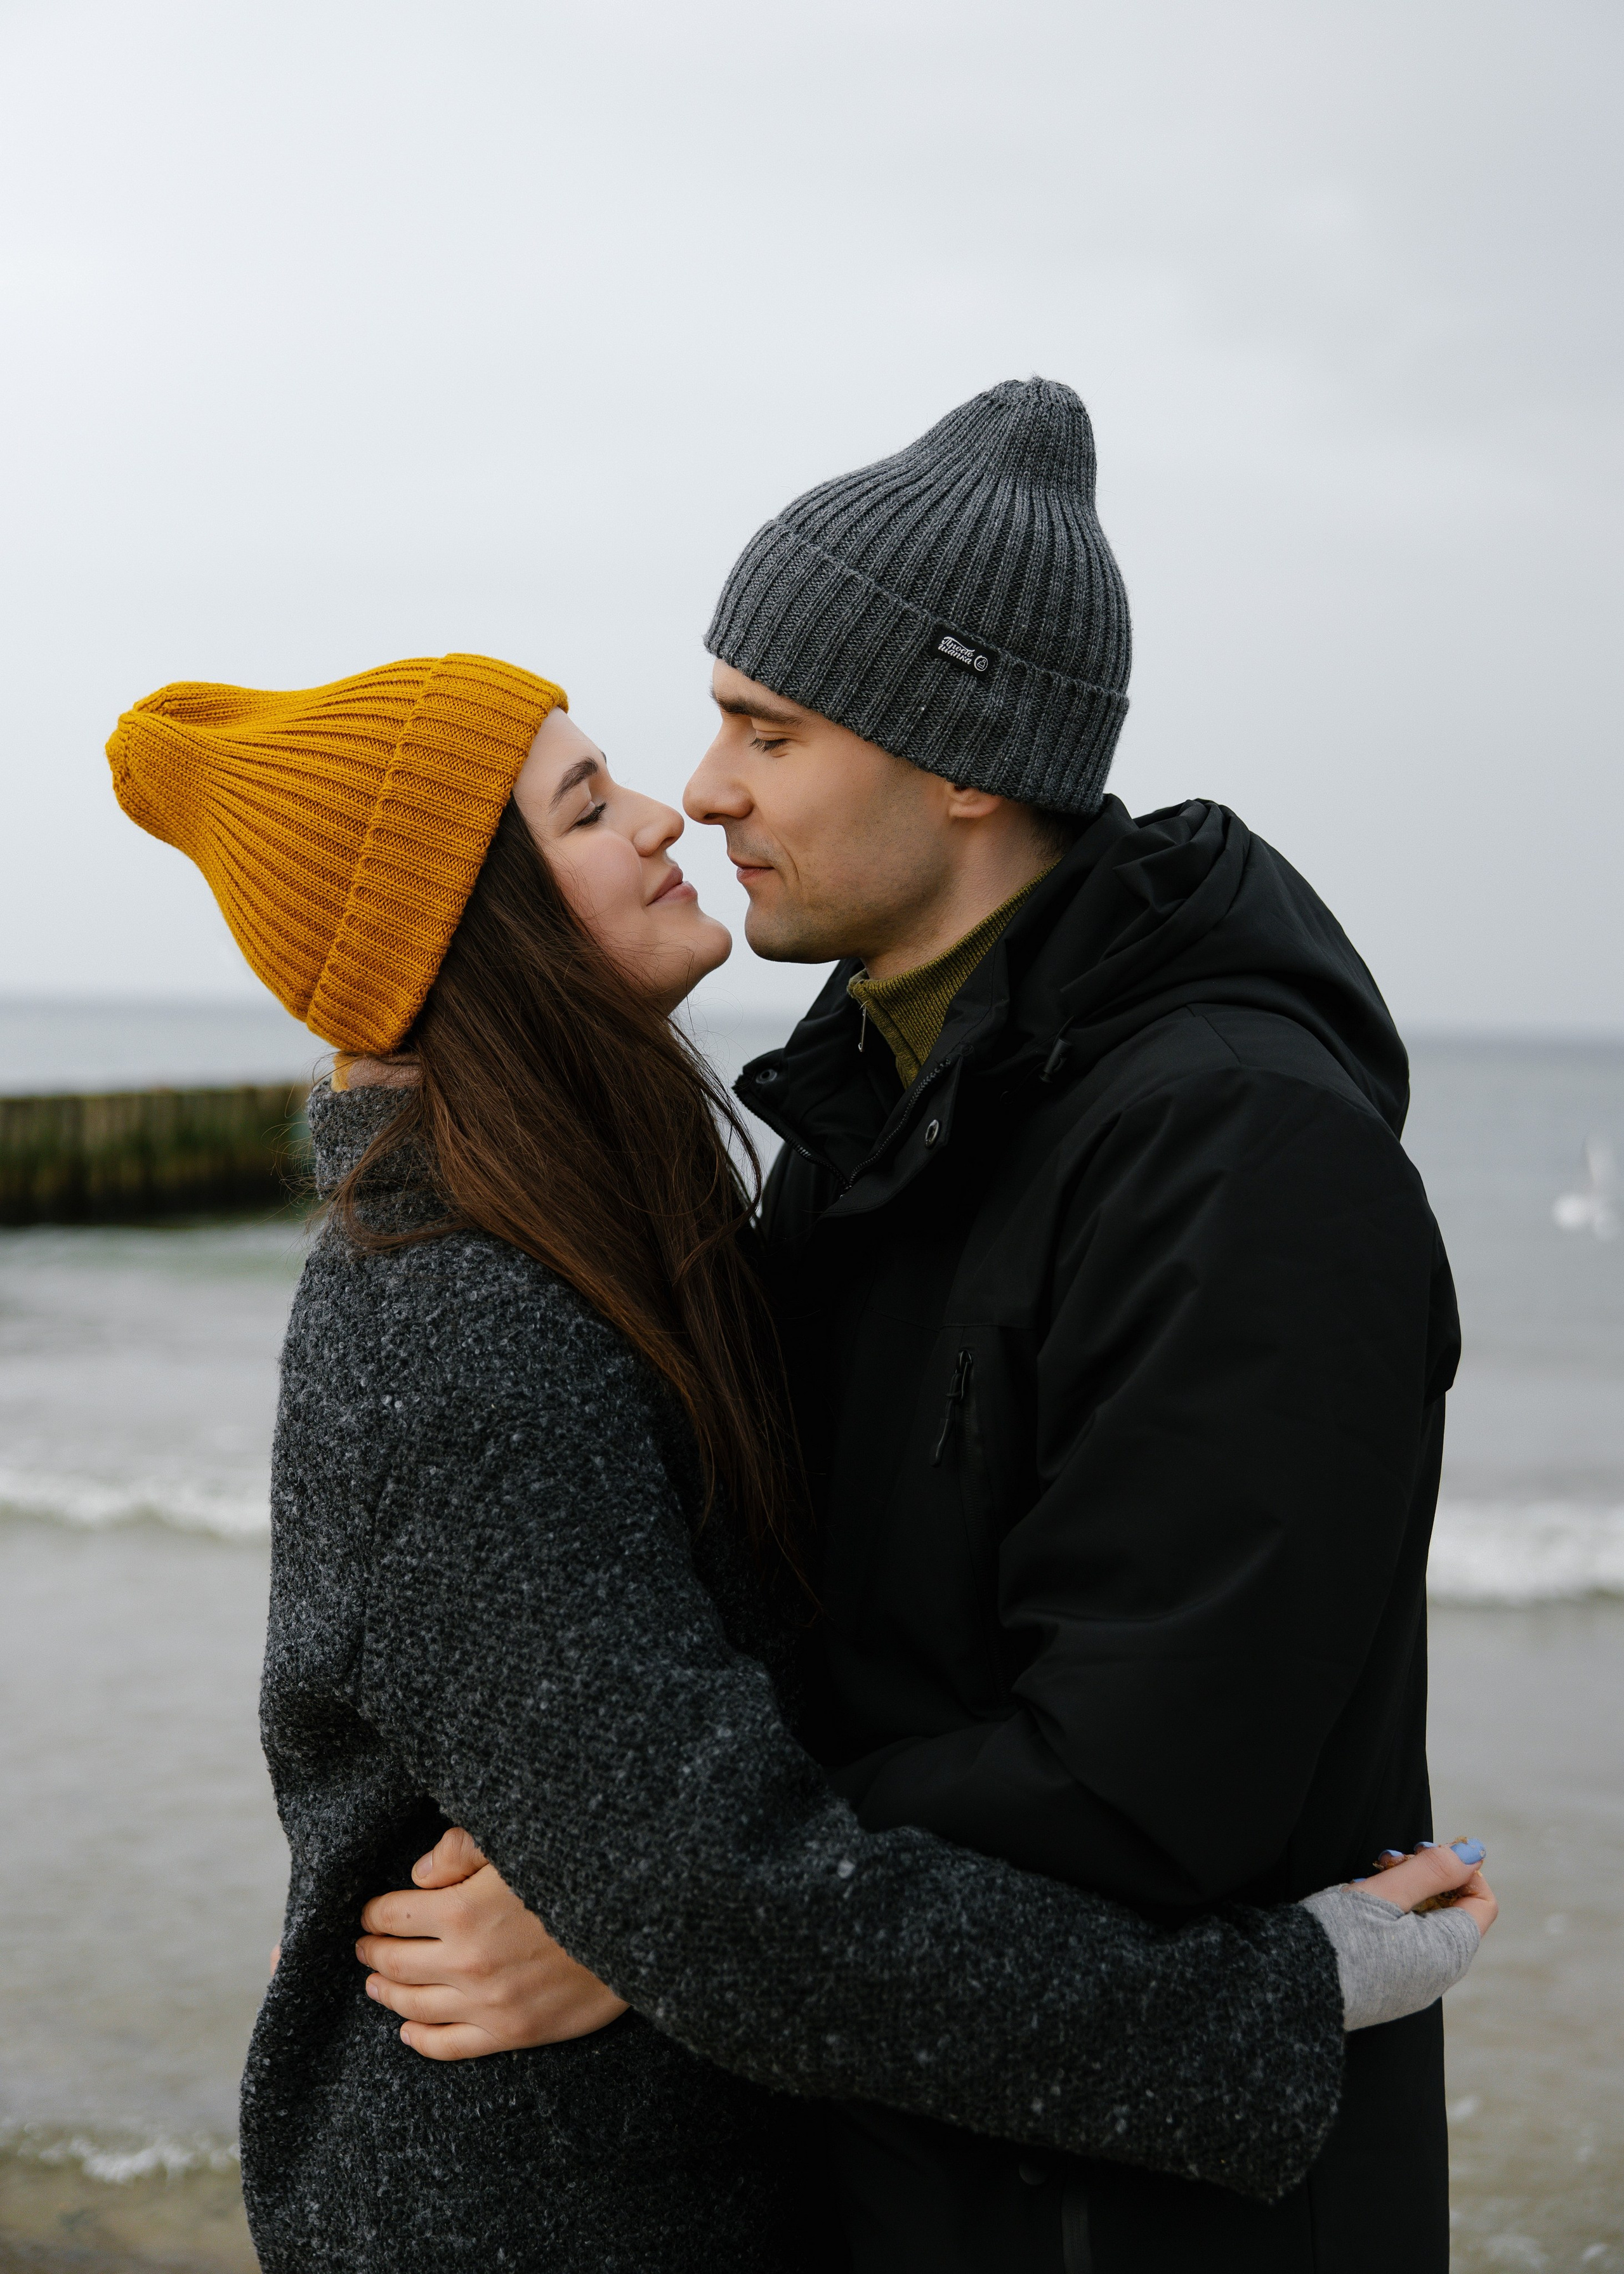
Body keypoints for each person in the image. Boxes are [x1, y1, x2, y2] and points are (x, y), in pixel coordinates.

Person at [103, 650, 1490, 2274]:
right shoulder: (448, 1324)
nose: (664, 810)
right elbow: (721, 1900)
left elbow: (684, 1861)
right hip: (521, 2209)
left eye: (722, 742)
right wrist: (1283, 1997)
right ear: (474, 931)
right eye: (584, 803)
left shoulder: (621, 1229)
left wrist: (616, 1898)